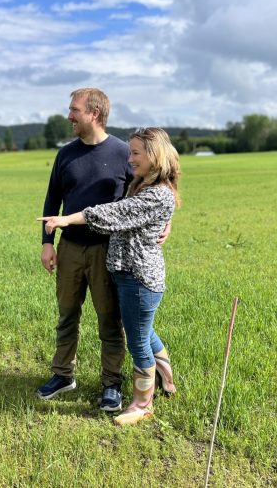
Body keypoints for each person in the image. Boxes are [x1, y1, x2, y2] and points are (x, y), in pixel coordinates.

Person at [39, 127, 180, 425]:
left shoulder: (154, 194)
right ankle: (166, 377)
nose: (130, 160)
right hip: (126, 272)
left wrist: (67, 219)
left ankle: (143, 403)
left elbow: (114, 213)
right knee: (144, 330)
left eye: (136, 154)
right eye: (130, 153)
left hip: (138, 276)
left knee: (138, 339)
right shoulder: (142, 183)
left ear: (154, 156)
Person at [36, 87, 133, 412]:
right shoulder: (66, 154)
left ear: (94, 113)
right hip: (70, 250)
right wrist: (47, 243)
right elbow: (52, 200)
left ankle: (111, 384)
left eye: (74, 110)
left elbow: (149, 192)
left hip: (108, 251)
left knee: (109, 320)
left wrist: (167, 222)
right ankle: (63, 375)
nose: (69, 116)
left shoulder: (123, 152)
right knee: (67, 315)